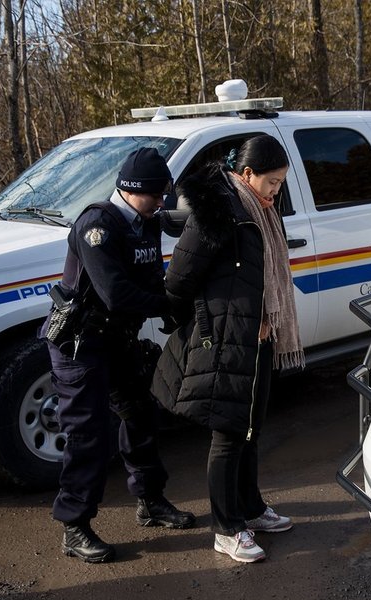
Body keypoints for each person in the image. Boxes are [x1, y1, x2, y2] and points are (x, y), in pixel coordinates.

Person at [151, 134, 304, 563]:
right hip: (226, 340)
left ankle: (250, 509)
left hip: (260, 337)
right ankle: (226, 527)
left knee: (251, 429)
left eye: (281, 183)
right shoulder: (219, 213)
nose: (277, 191)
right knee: (229, 434)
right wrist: (206, 323)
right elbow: (179, 278)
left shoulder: (262, 211)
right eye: (272, 182)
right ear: (247, 173)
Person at [42, 146, 195, 564]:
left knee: (141, 414)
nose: (161, 203)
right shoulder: (98, 227)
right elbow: (116, 293)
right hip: (80, 346)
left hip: (117, 341)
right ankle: (74, 527)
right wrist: (167, 305)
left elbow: (156, 265)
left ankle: (151, 501)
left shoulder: (146, 221)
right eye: (155, 195)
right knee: (90, 434)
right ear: (130, 191)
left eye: (166, 194)